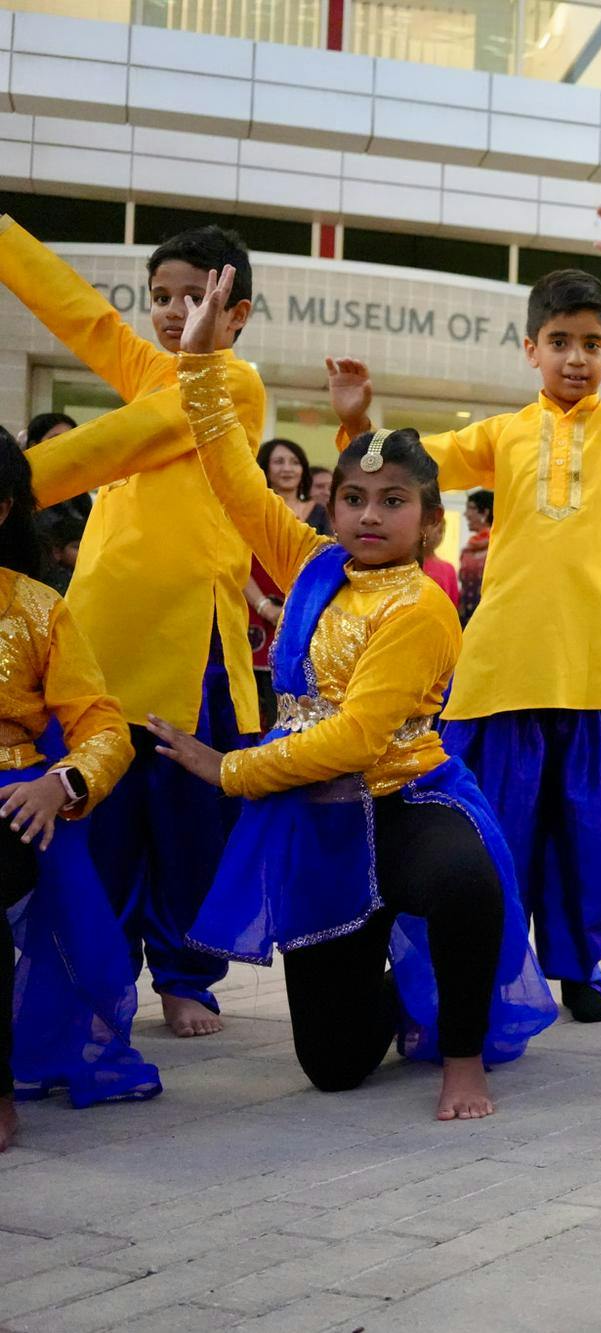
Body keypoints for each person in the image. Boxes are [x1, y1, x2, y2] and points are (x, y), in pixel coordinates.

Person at [148, 265, 555, 1121]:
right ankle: (401, 991)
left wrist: (229, 770)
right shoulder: (313, 568)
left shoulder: (422, 604)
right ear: (333, 510)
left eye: (394, 501)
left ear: (430, 521)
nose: (370, 515)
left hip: (406, 795)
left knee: (467, 882)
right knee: (332, 1067)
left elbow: (362, 737)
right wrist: (200, 366)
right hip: (320, 813)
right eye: (354, 499)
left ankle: (462, 1055)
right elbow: (232, 478)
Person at [327, 205, 601, 1023]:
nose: (575, 357)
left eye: (590, 344)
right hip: (504, 669)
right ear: (530, 349)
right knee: (496, 829)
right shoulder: (502, 435)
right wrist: (360, 420)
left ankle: (580, 969)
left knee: (591, 837)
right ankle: (495, 969)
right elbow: (406, 464)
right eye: (559, 341)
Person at [0, 213, 268, 1038]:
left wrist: (11, 483)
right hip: (101, 643)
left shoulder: (233, 383)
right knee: (103, 828)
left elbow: (119, 440)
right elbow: (77, 311)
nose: (174, 312)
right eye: (161, 296)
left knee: (190, 833)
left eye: (198, 297)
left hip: (194, 656)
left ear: (237, 315)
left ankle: (188, 978)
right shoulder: (148, 369)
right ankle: (103, 982)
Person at [0, 427, 159, 1152]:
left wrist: (56, 784)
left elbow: (104, 729)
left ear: (2, 509)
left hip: (11, 799)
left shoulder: (37, 610)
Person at [247, 439, 333, 731]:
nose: (288, 468)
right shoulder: (254, 510)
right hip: (253, 611)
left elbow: (326, 566)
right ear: (265, 468)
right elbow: (237, 565)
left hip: (304, 614)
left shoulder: (321, 513)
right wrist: (263, 606)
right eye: (279, 461)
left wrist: (296, 609)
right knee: (256, 704)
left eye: (294, 462)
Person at [458, 488, 493, 623]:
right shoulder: (468, 550)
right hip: (464, 620)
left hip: (487, 621)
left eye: (471, 508)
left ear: (485, 512)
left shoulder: (496, 546)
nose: (466, 514)